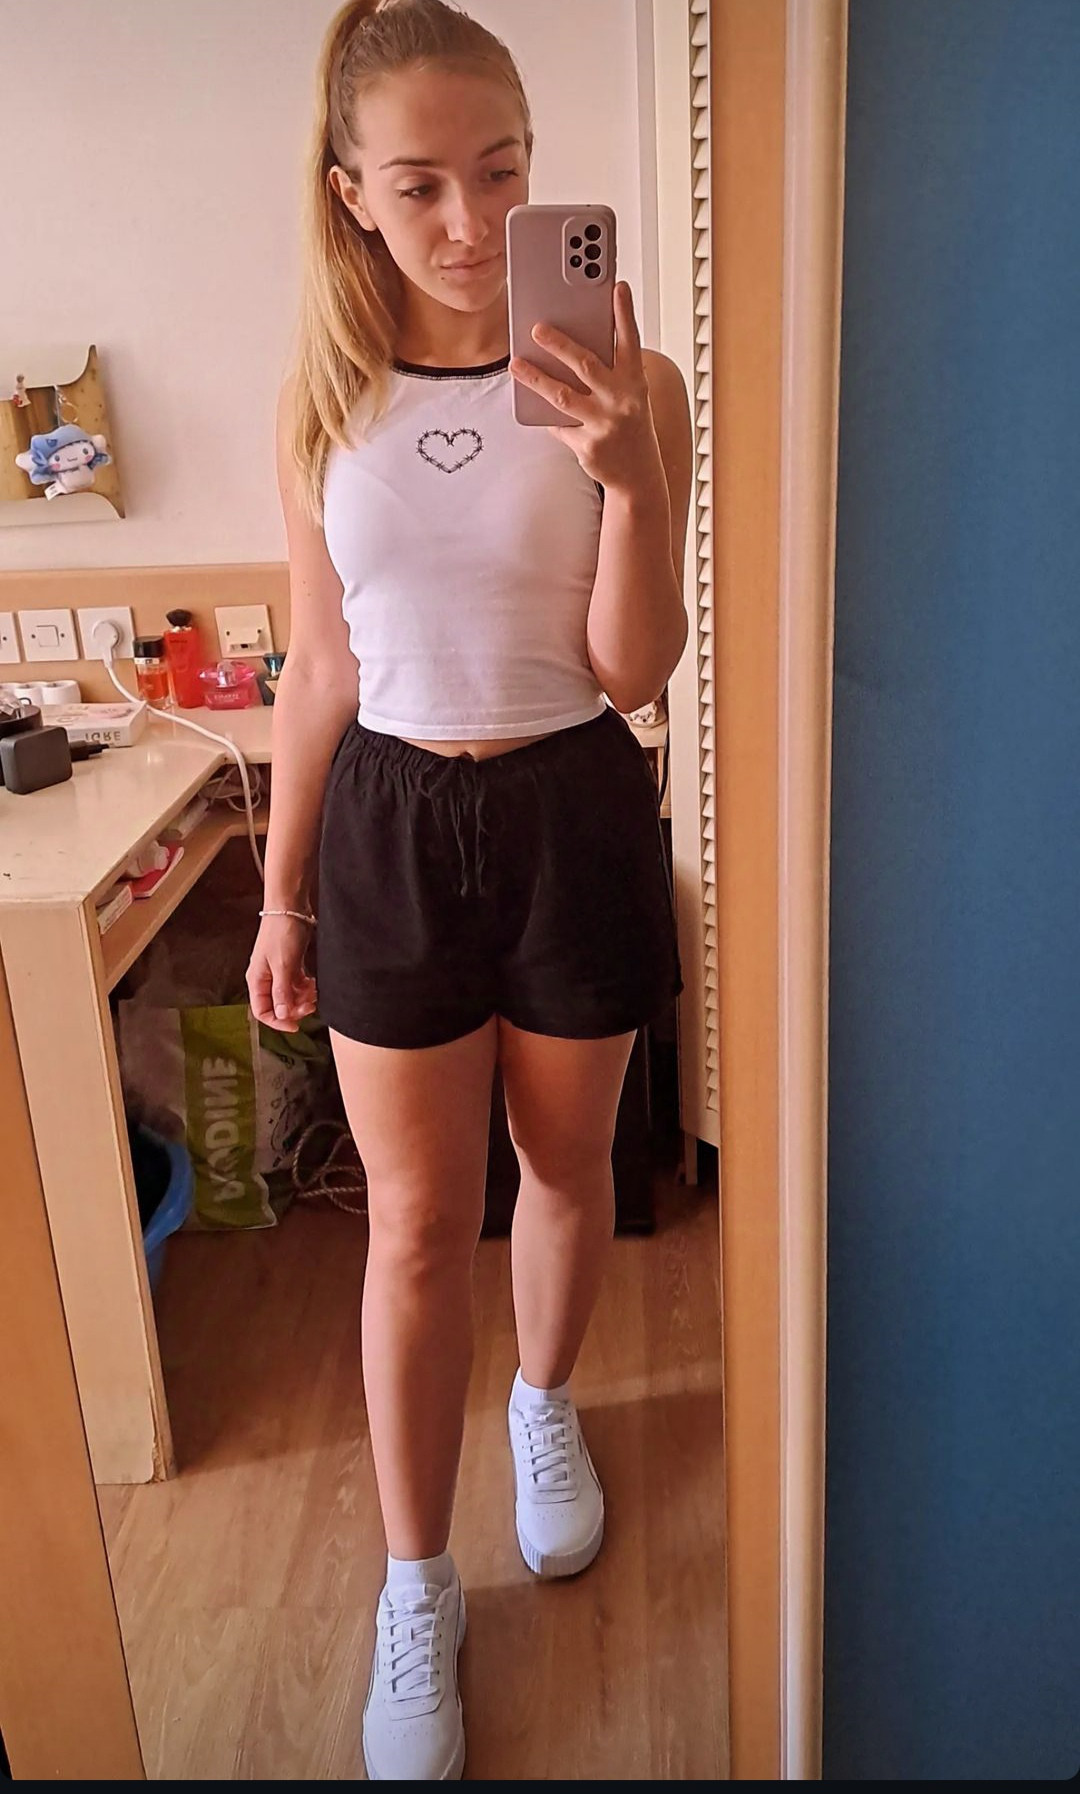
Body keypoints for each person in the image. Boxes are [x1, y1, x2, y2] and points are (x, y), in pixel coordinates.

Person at [246, 0, 691, 1779]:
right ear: (350, 192)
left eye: (500, 173)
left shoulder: (631, 380)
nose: (465, 218)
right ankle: (415, 1585)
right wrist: (280, 893)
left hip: (575, 796)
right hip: (388, 818)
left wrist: (630, 474)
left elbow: (636, 667)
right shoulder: (322, 400)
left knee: (567, 1167)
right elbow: (318, 664)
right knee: (419, 1226)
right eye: (420, 183)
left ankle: (546, 1403)